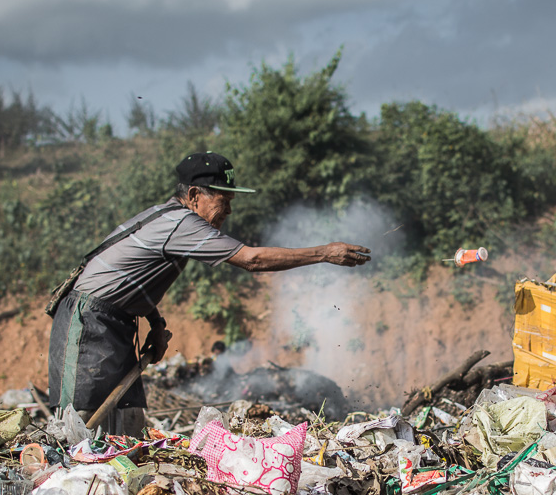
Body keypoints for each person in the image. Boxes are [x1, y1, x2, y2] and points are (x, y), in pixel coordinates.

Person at [48, 151, 370, 437]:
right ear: (194, 195)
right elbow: (252, 260)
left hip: (113, 319)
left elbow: (131, 276)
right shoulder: (182, 223)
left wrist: (156, 324)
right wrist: (324, 253)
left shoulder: (167, 217)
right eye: (223, 200)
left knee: (124, 419)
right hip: (90, 322)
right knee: (82, 421)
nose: (229, 211)